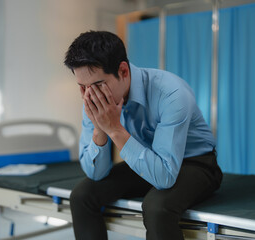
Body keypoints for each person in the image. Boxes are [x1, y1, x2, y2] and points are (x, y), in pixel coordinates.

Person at [63, 30, 223, 240]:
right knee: (82, 195)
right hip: (148, 160)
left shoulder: (172, 93)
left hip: (195, 163)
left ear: (123, 71)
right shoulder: (92, 100)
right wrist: (100, 129)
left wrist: (114, 129)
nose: (91, 96)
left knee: (157, 207)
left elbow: (164, 177)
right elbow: (96, 174)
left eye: (98, 85)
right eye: (82, 87)